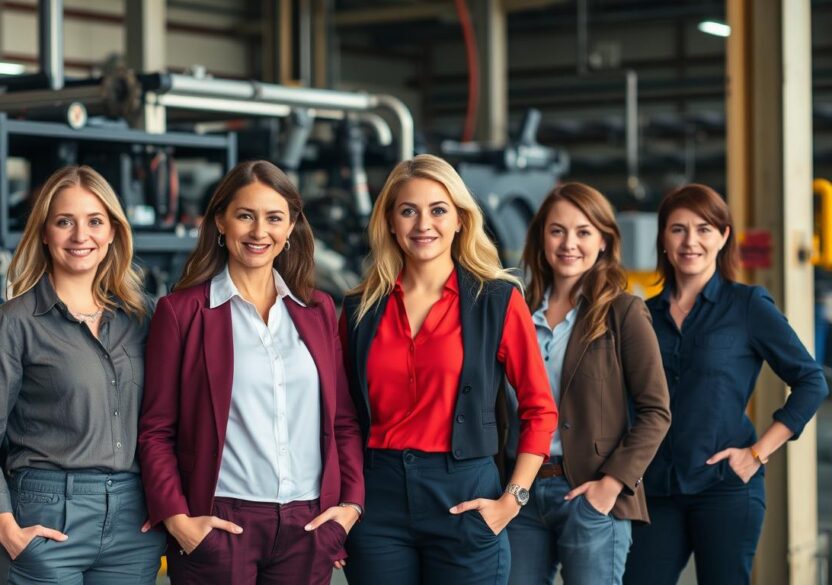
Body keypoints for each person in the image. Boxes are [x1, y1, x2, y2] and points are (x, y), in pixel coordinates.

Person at [137, 160, 365, 585]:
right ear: (220, 221)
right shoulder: (182, 313)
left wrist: (349, 507)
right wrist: (179, 521)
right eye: (246, 215)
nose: (260, 232)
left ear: (292, 226)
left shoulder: (317, 311)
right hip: (222, 522)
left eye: (274, 218)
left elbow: (342, 422)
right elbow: (155, 430)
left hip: (308, 524)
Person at [339, 154, 558, 585]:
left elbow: (539, 409)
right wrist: (344, 503)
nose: (424, 224)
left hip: (465, 495)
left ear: (460, 219)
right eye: (409, 210)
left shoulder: (497, 300)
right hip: (378, 499)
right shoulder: (358, 308)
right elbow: (342, 416)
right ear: (390, 222)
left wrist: (511, 500)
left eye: (438, 210)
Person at [0, 165, 165, 585]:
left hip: (133, 518)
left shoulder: (142, 319)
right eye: (64, 221)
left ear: (113, 232)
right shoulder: (11, 323)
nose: (80, 236)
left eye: (94, 221)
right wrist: (7, 530)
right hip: (46, 513)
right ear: (45, 233)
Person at [623, 184, 829, 585]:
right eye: (678, 229)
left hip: (725, 489)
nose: (691, 241)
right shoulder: (642, 315)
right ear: (663, 239)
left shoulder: (748, 306)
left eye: (704, 229)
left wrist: (757, 453)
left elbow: (811, 380)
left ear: (724, 236)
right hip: (656, 490)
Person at [505, 183, 671, 585]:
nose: (569, 243)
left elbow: (656, 412)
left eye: (583, 232)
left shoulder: (622, 312)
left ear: (603, 241)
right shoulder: (516, 311)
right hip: (520, 493)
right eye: (557, 230)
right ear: (541, 237)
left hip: (589, 492)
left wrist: (611, 485)